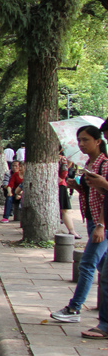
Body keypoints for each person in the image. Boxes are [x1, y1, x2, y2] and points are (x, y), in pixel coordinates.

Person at [50, 126, 108, 324]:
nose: (81, 144)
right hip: (92, 220)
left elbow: (106, 197)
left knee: (87, 264)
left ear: (98, 141)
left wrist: (101, 224)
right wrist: (79, 187)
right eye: (79, 140)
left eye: (85, 140)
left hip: (101, 222)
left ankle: (74, 308)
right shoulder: (90, 164)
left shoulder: (104, 165)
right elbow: (95, 193)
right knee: (103, 268)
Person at [58, 148, 81, 240]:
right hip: (60, 185)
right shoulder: (61, 159)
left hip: (58, 185)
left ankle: (72, 230)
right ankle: (72, 230)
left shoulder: (59, 159)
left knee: (64, 210)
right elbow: (64, 173)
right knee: (65, 210)